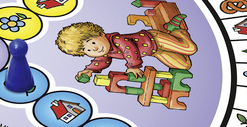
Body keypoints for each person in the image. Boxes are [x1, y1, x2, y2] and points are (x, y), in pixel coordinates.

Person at [55, 20, 196, 82]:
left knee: (190, 49)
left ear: (101, 34)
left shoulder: (117, 39)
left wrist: (133, 66)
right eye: (87, 50)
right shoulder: (105, 52)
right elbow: (101, 61)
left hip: (154, 38)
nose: (95, 48)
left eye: (92, 42)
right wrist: (89, 70)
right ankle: (175, 40)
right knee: (185, 65)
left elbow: (129, 49)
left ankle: (177, 31)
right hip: (155, 52)